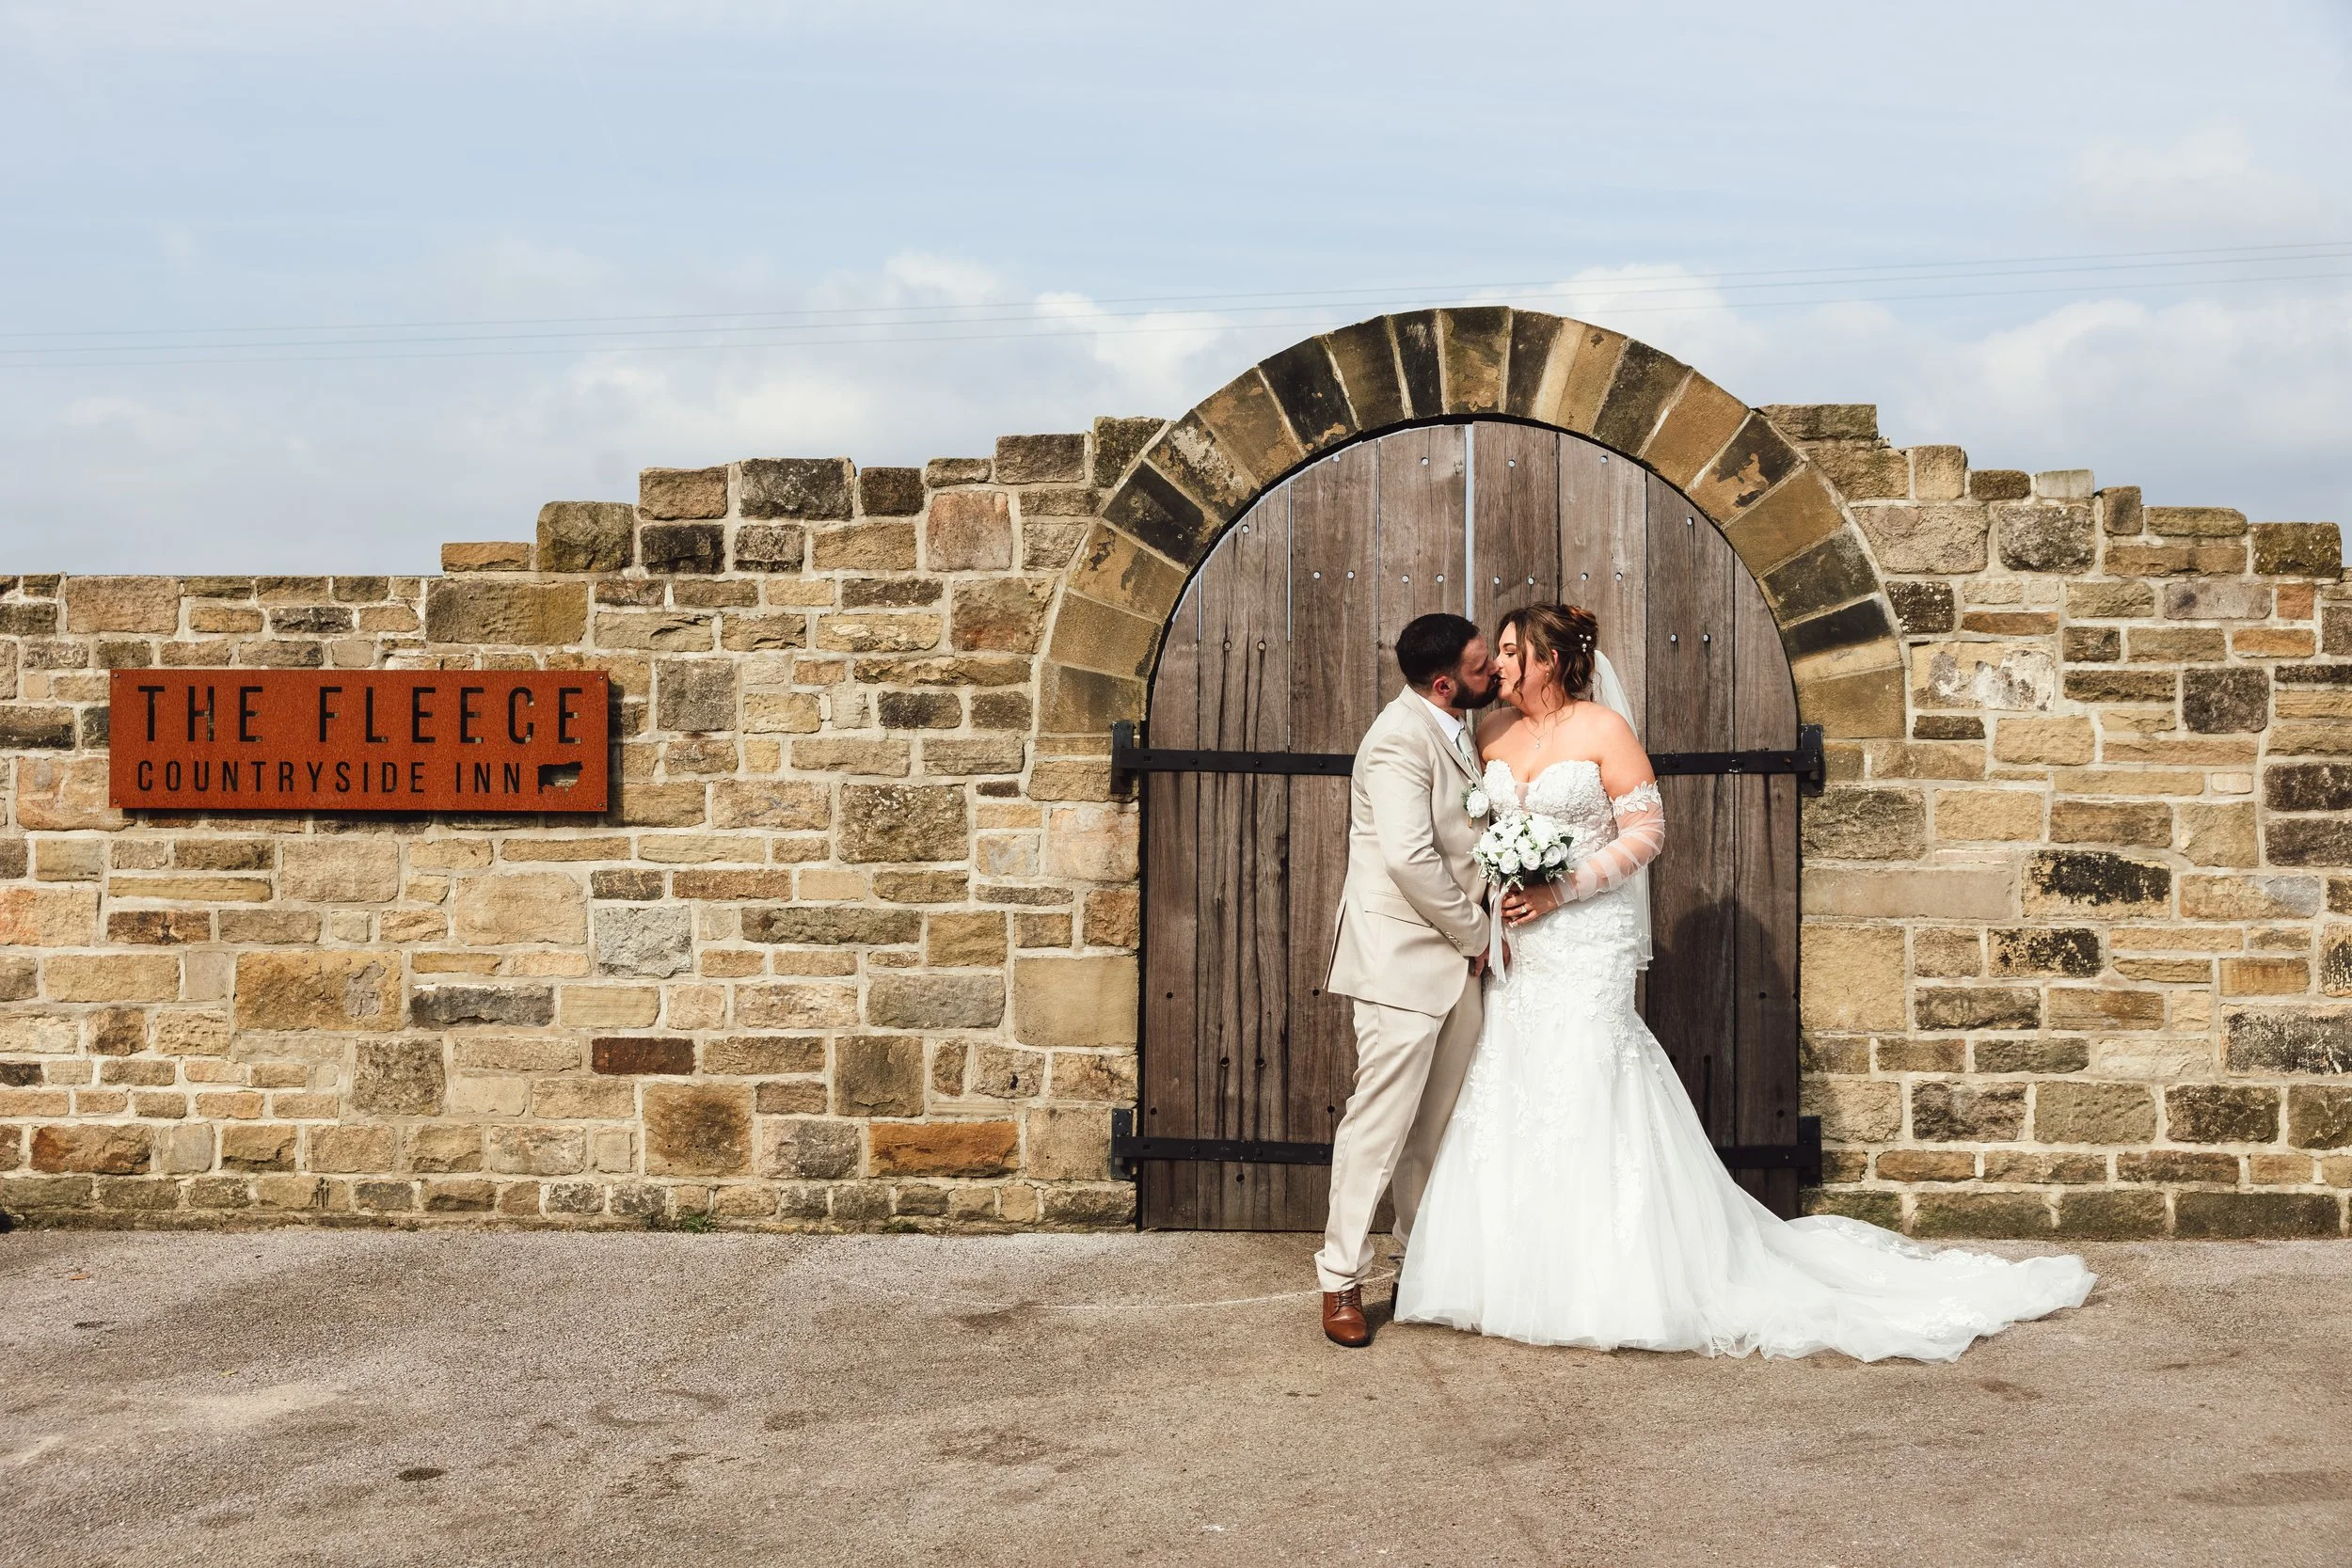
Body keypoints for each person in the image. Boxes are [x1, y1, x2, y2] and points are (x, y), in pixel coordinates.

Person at [1387, 603, 2096, 1361]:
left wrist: (1564, 888)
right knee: (1512, 1087)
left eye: (1508, 651)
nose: (1495, 665)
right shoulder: (1488, 733)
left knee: (1590, 1083)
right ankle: (1504, 1275)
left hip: (1583, 939)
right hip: (1518, 948)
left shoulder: (1602, 730)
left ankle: (1608, 1282)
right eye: (1493, 652)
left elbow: (1647, 831)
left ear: (1548, 660)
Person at [1314, 612, 1499, 1348]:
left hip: (1459, 968)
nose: (1497, 674)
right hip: (1402, 961)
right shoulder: (1397, 738)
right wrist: (1477, 930)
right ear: (1448, 682)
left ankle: (1421, 1264)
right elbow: (1409, 858)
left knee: (1437, 1130)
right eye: (1485, 666)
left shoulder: (1464, 732)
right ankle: (1340, 1278)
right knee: (1380, 1125)